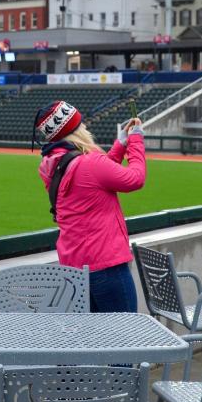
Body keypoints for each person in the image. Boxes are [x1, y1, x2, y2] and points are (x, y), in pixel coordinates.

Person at [35, 101, 145, 312]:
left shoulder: (54, 162)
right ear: (75, 131)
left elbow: (95, 177)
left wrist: (120, 145)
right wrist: (136, 141)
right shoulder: (89, 163)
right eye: (81, 124)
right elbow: (135, 179)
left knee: (94, 340)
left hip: (75, 267)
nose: (85, 127)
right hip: (105, 264)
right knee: (126, 336)